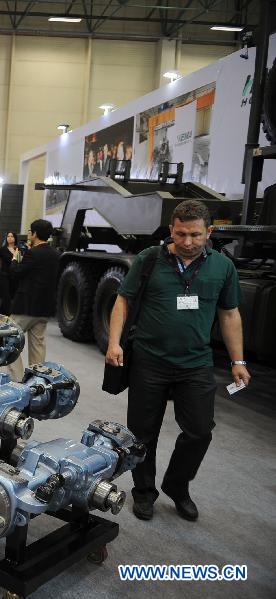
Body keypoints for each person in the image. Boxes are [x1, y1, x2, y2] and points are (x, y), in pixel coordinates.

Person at [106, 200, 250, 523]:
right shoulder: (149, 260)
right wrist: (114, 342)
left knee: (200, 431)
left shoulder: (222, 268)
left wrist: (237, 359)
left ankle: (177, 484)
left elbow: (230, 314)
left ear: (209, 232)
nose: (187, 242)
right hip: (149, 361)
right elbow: (123, 302)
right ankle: (143, 492)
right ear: (171, 229)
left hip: (196, 362)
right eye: (181, 234)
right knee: (142, 433)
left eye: (196, 235)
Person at [4, 219, 59, 378]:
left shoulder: (32, 253)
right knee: (38, 345)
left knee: (9, 338)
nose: (29, 234)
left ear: (35, 234)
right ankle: (37, 381)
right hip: (44, 308)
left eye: (30, 232)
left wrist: (15, 257)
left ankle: (17, 380)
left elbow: (15, 273)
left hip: (26, 307)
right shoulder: (56, 254)